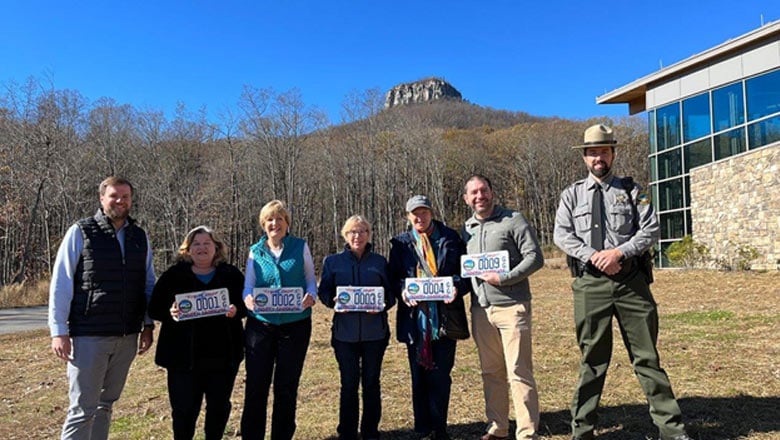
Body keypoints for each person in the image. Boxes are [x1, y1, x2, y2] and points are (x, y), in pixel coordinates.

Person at [553, 124, 692, 440]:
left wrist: (618, 252)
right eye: (592, 152)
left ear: (612, 153)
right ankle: (583, 430)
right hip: (590, 285)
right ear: (584, 157)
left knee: (647, 358)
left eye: (604, 151)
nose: (598, 157)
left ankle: (671, 430)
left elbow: (651, 228)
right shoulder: (571, 194)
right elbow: (561, 234)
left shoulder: (633, 190)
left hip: (631, 283)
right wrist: (593, 255)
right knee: (592, 360)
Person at [48, 176, 156, 440]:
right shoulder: (81, 231)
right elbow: (61, 283)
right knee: (82, 408)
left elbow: (148, 282)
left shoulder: (139, 237)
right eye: (114, 196)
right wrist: (58, 330)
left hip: (127, 335)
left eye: (126, 196)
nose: (120, 201)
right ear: (101, 198)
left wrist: (148, 324)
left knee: (105, 405)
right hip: (89, 335)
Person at [461, 175, 545, 440]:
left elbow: (535, 257)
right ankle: (498, 426)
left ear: (492, 192)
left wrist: (505, 278)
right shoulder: (467, 229)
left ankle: (526, 432)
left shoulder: (513, 220)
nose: (479, 196)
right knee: (490, 371)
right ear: (466, 199)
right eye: (473, 192)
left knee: (518, 371)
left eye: (483, 190)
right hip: (480, 310)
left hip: (513, 306)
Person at [148, 226, 247, 440]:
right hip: (183, 359)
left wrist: (236, 310)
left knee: (219, 408)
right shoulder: (173, 276)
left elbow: (247, 304)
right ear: (188, 249)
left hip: (223, 357)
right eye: (196, 244)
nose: (202, 248)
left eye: (206, 243)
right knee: (183, 411)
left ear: (216, 248)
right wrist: (170, 312)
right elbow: (154, 308)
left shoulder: (231, 275)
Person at [388, 195, 470, 440]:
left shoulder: (450, 238)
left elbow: (465, 273)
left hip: (444, 318)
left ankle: (440, 429)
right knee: (419, 376)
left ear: (431, 213)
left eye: (423, 212)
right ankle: (423, 428)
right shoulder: (401, 244)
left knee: (441, 375)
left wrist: (457, 285)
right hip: (415, 319)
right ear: (407, 216)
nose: (419, 217)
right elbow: (393, 278)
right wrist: (402, 290)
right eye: (414, 213)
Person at [240, 200, 318, 440]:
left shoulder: (300, 246)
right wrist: (248, 300)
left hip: (295, 325)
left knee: (286, 387)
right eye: (270, 220)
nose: (275, 224)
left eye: (280, 219)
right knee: (256, 387)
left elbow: (310, 279)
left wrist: (311, 296)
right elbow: (248, 286)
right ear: (264, 224)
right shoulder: (256, 251)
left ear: (287, 223)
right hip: (260, 326)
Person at [318, 215, 395, 440]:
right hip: (345, 335)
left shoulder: (380, 262)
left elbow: (390, 294)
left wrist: (381, 306)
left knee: (371, 383)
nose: (357, 236)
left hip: (375, 334)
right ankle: (347, 432)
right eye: (352, 231)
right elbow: (324, 292)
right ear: (345, 235)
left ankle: (370, 431)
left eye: (362, 231)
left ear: (369, 235)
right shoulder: (332, 262)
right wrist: (333, 302)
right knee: (348, 384)